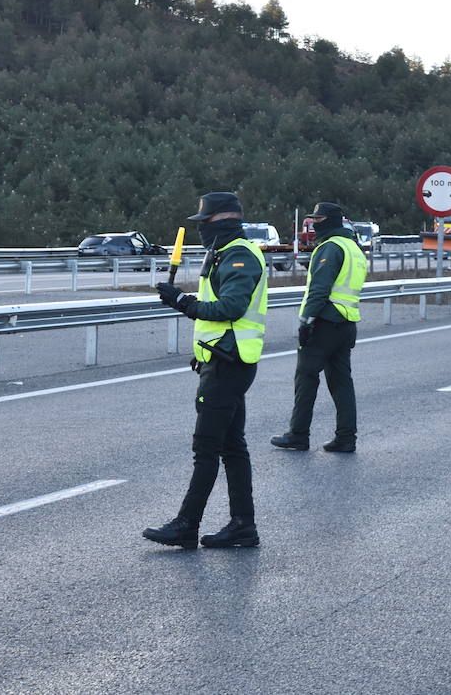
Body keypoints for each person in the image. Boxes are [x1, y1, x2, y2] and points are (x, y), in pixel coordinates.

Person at [145, 191, 268, 550]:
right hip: (224, 360)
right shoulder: (226, 255)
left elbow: (230, 307)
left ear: (223, 222)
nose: (201, 233)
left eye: (205, 224)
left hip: (229, 364)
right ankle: (243, 526)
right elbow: (218, 312)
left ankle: (187, 525)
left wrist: (183, 301)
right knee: (232, 447)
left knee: (207, 448)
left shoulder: (240, 257)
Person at [271, 201, 367, 454]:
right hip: (347, 323)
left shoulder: (330, 247)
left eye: (318, 219)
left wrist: (306, 320)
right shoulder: (354, 247)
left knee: (306, 378)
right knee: (341, 383)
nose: (313, 223)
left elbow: (320, 289)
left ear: (329, 221)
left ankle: (298, 435)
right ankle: (346, 438)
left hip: (325, 322)